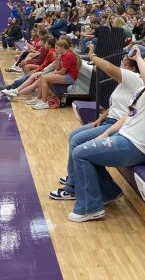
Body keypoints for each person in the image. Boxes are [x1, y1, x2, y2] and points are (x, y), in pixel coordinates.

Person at [67, 48, 145, 222]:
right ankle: (108, 193)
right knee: (87, 151)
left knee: (80, 153)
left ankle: (89, 208)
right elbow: (127, 115)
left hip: (137, 146)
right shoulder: (141, 90)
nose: (139, 65)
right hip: (125, 138)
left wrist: (137, 57)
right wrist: (106, 133)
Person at [48, 50, 140, 200]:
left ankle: (72, 187)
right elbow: (116, 106)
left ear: (134, 68)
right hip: (109, 120)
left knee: (77, 141)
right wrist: (100, 118)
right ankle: (77, 178)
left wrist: (93, 56)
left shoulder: (135, 79)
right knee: (73, 136)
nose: (121, 65)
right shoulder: (124, 84)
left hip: (118, 125)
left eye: (125, 64)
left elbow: (109, 68)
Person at [32, 39, 80, 110]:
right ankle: (39, 98)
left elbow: (61, 72)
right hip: (65, 75)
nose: (55, 49)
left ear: (62, 47)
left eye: (57, 48)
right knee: (42, 76)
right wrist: (58, 58)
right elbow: (58, 69)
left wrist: (55, 73)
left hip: (70, 78)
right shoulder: (63, 55)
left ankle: (44, 102)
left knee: (45, 78)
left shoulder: (68, 55)